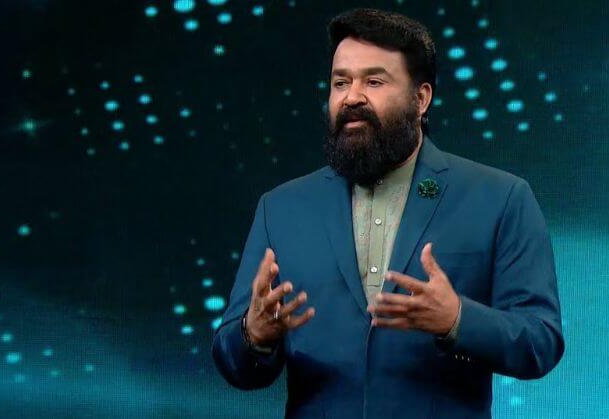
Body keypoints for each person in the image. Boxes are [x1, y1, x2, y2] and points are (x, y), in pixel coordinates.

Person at [212, 8, 564, 419]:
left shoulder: (500, 198)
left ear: (421, 99)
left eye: (374, 81)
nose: (352, 97)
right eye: (340, 82)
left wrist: (457, 319)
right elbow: (233, 363)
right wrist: (253, 335)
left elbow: (540, 341)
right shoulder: (281, 208)